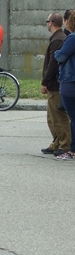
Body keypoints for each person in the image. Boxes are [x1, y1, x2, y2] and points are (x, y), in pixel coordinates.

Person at [40, 13, 71, 156]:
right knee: (51, 118)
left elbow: (53, 63)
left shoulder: (58, 39)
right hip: (54, 83)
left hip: (55, 84)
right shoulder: (57, 38)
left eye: (47, 21)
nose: (47, 24)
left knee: (58, 117)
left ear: (51, 23)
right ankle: (56, 143)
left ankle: (65, 145)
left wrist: (45, 81)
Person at [54, 12, 75, 160]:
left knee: (73, 118)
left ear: (68, 21)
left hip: (70, 81)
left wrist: (56, 52)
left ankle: (73, 150)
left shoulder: (72, 38)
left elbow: (61, 56)